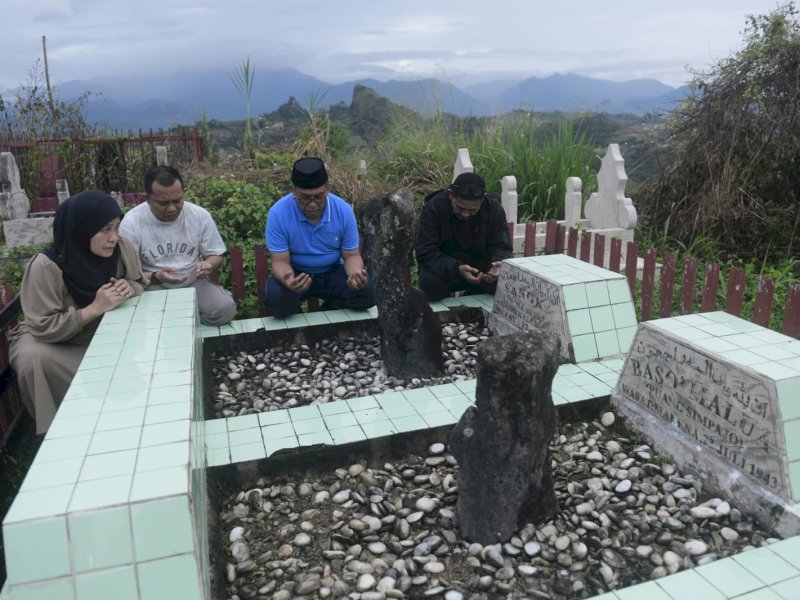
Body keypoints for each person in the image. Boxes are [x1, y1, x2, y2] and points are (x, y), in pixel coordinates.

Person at [9, 191, 147, 434]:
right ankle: (59, 431)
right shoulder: (47, 266)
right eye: (105, 229)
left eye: (116, 228)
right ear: (81, 229)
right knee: (33, 358)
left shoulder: (120, 248)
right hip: (59, 343)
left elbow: (139, 281)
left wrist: (129, 287)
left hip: (105, 335)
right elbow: (42, 326)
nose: (113, 237)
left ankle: (117, 415)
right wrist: (95, 308)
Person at [120, 166, 237, 325]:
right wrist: (156, 276)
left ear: (183, 193)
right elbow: (128, 274)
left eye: (177, 200)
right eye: (163, 203)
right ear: (146, 198)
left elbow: (216, 254)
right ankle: (178, 323)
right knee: (143, 321)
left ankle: (184, 326)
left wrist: (208, 264)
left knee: (224, 309)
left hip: (194, 281)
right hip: (153, 285)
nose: (172, 208)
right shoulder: (131, 222)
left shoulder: (199, 215)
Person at [264, 157, 374, 318]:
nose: (312, 204)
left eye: (318, 196)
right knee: (276, 299)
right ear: (294, 191)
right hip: (297, 273)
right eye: (305, 198)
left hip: (332, 271)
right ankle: (298, 324)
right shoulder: (278, 213)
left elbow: (351, 255)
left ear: (327, 189)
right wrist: (288, 279)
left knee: (367, 293)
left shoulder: (343, 210)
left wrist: (355, 276)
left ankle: (330, 310)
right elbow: (280, 261)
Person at [415, 172, 514, 301]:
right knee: (430, 282)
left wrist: (498, 263)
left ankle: (480, 313)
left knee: (504, 280)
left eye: (473, 210)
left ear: (482, 199)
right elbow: (426, 253)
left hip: (480, 270)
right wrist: (456, 268)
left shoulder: (493, 209)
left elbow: (502, 246)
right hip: (447, 269)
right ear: (451, 195)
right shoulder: (434, 208)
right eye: (460, 208)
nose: (466, 214)